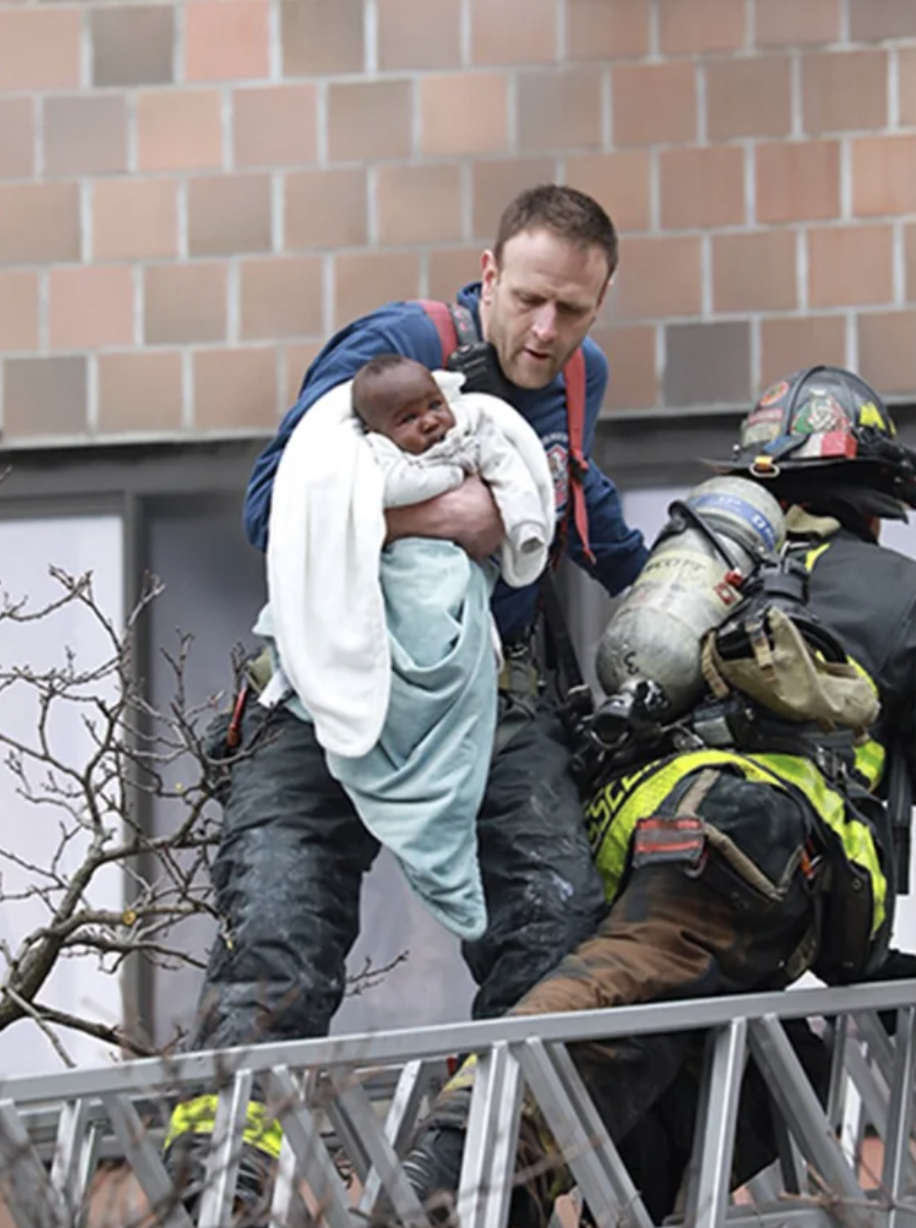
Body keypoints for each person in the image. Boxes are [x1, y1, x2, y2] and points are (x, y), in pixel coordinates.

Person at [163, 184, 648, 1207]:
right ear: (486, 275)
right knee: (280, 938)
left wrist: (670, 593)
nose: (546, 329)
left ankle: (462, 1177)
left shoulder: (573, 380)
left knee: (556, 928)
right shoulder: (391, 346)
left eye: (573, 310)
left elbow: (574, 496)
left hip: (486, 693)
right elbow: (271, 509)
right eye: (527, 300)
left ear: (600, 303)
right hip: (332, 688)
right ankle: (220, 1187)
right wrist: (453, 514)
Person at [398, 365, 916, 1225]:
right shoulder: (893, 591)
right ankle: (446, 1178)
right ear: (870, 500)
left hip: (636, 823)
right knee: (621, 996)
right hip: (748, 836)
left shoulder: (717, 575)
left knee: (708, 1066)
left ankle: (517, 1194)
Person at [262, 353, 554, 942]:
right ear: (375, 431)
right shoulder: (369, 462)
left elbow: (513, 477)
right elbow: (356, 500)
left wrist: (523, 527)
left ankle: (445, 852)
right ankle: (435, 853)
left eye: (432, 408)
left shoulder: (473, 428)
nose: (427, 424)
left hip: (457, 600)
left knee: (460, 707)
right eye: (406, 419)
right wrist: (449, 490)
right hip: (394, 595)